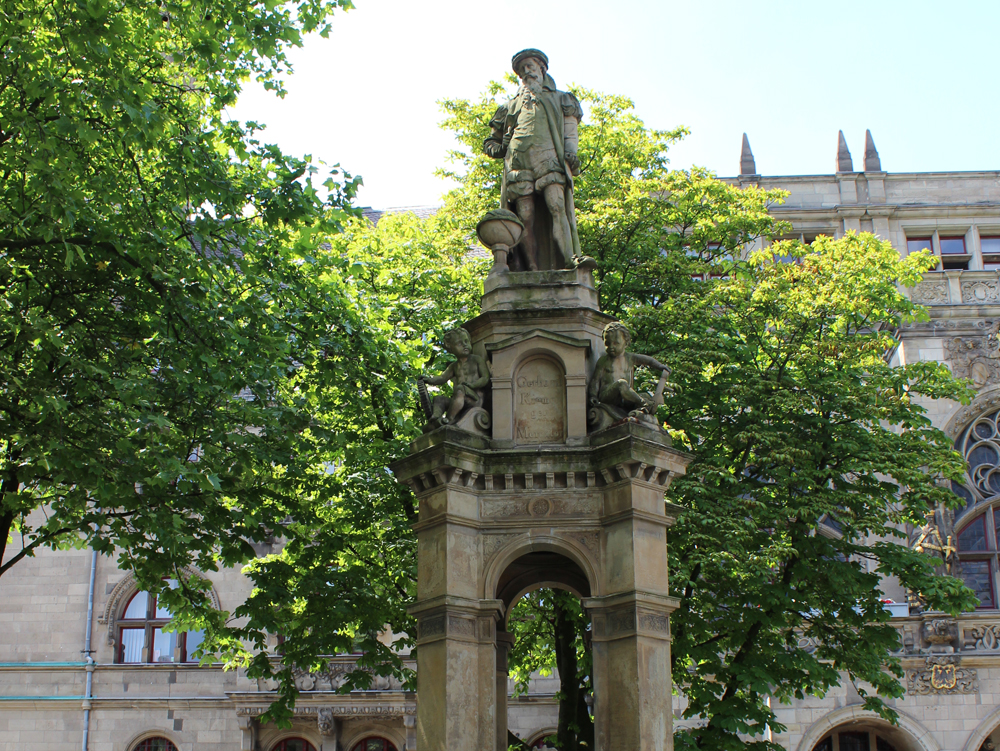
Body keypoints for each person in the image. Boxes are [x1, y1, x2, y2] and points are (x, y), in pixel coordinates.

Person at [484, 48, 597, 272]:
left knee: (557, 206)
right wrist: (502, 147)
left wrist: (571, 153)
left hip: (549, 159)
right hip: (518, 165)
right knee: (524, 217)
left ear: (542, 68)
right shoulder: (509, 107)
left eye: (530, 66)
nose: (526, 71)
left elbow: (570, 132)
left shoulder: (561, 98)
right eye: (522, 69)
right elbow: (490, 144)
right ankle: (531, 268)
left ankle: (569, 258)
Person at [589, 322, 669, 418]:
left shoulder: (630, 358)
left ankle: (643, 407)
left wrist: (660, 366)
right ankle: (642, 403)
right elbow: (595, 380)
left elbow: (649, 360)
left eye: (615, 343)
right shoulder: (603, 361)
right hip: (608, 396)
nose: (611, 347)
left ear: (626, 343)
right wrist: (593, 395)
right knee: (621, 384)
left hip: (624, 399)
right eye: (607, 343)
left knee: (646, 395)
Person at [418, 328, 490, 428]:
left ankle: (449, 420)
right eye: (460, 343)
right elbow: (442, 378)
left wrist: (473, 385)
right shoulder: (454, 366)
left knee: (460, 389)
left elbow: (485, 378)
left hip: (475, 399)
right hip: (459, 399)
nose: (465, 345)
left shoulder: (476, 360)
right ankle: (435, 419)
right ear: (451, 348)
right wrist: (428, 380)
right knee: (439, 399)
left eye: (466, 341)